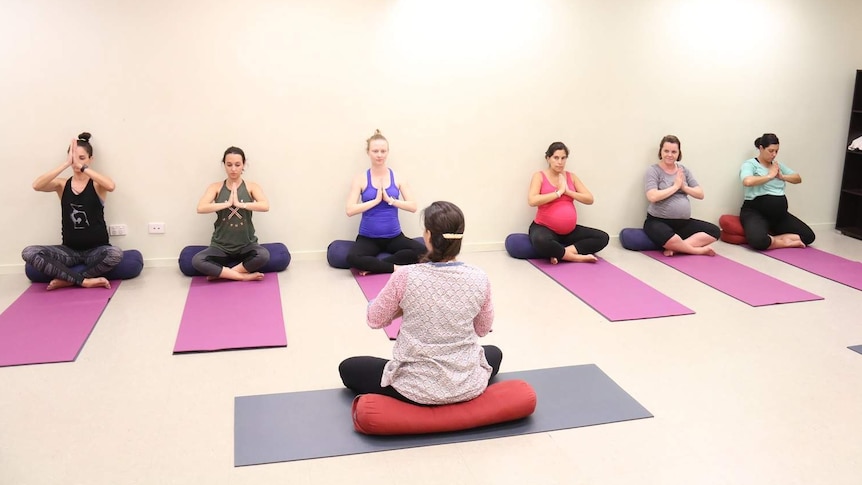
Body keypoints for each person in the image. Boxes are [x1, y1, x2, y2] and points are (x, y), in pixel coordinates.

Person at [339, 201, 502, 405]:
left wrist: (400, 309)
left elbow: (374, 319)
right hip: (465, 382)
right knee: (494, 353)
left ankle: (421, 397)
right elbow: (482, 329)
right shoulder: (479, 277)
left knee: (349, 368)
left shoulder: (406, 275)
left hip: (415, 386)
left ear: (427, 235)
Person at [22, 133, 121, 290]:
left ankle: (69, 279)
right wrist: (66, 164)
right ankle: (83, 280)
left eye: (82, 158)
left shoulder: (96, 184)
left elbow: (111, 186)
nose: (77, 163)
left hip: (97, 250)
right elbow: (37, 185)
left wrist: (83, 167)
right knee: (29, 252)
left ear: (90, 159)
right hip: (69, 251)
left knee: (115, 254)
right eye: (74, 158)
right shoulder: (62, 185)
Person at [344, 130, 426, 274]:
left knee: (422, 251)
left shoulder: (398, 177)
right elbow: (350, 210)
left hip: (394, 237)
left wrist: (391, 200)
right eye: (375, 151)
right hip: (368, 238)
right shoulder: (360, 179)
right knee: (352, 258)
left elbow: (413, 206)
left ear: (388, 152)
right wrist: (376, 201)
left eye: (383, 151)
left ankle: (377, 266)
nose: (379, 155)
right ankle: (393, 268)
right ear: (368, 152)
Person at [192, 146, 270, 281]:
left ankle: (224, 274)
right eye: (229, 165)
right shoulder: (215, 187)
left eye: (237, 164)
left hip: (247, 245)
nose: (233, 169)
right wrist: (227, 204)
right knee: (197, 260)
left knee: (264, 255)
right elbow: (200, 208)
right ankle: (242, 277)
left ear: (243, 165)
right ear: (224, 165)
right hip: (220, 246)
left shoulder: (252, 186)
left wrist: (241, 205)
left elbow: (265, 206)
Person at [527, 141, 609, 263]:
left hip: (569, 231)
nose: (560, 162)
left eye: (563, 158)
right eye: (556, 158)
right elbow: (532, 200)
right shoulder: (539, 176)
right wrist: (558, 193)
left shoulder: (572, 177)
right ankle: (576, 257)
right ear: (548, 158)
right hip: (544, 228)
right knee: (540, 240)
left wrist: (568, 192)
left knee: (602, 237)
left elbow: (589, 199)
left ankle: (562, 253)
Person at [643, 135, 720, 256]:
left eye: (674, 151)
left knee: (714, 231)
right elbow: (652, 196)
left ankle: (675, 248)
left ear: (679, 153)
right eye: (666, 151)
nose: (670, 155)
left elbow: (700, 194)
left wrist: (683, 187)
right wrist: (675, 187)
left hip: (683, 223)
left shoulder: (683, 170)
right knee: (668, 237)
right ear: (661, 151)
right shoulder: (653, 170)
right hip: (658, 221)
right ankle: (696, 250)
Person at [739, 133, 814, 250]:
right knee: (758, 241)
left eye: (776, 151)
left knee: (809, 236)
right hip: (756, 213)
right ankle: (785, 242)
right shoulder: (750, 164)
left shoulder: (777, 165)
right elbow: (747, 181)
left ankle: (774, 239)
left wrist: (782, 177)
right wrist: (769, 176)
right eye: (771, 151)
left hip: (779, 216)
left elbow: (798, 178)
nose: (774, 154)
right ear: (761, 148)